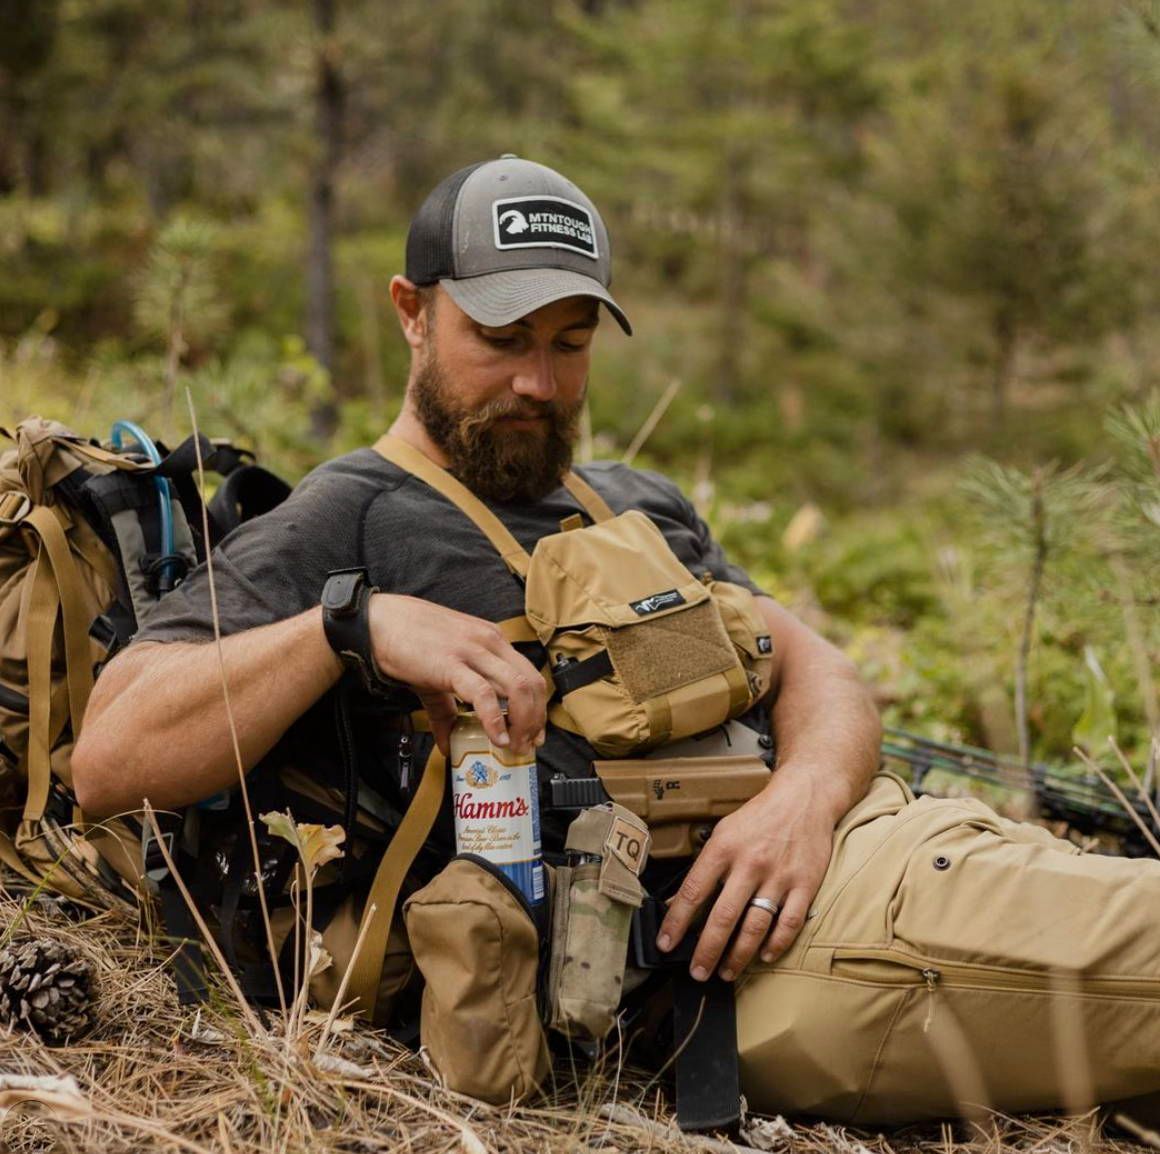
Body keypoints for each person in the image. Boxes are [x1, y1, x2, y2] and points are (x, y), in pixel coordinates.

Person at [71, 157, 1160, 1126]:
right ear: (411, 311)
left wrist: (802, 799)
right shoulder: (345, 514)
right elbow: (111, 756)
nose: (537, 383)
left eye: (569, 342)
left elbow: (818, 668)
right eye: (497, 341)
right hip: (785, 955)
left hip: (876, 842)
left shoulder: (634, 501)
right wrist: (348, 622)